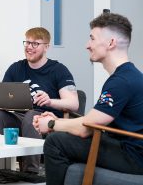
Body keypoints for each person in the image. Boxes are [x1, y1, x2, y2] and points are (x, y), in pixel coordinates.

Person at [33, 13, 143, 185]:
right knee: (65, 137)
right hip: (123, 145)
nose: (87, 45)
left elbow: (88, 128)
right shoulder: (128, 75)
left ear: (111, 43)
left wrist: (51, 124)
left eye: (92, 38)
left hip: (133, 156)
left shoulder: (121, 82)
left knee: (56, 141)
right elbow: (93, 121)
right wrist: (57, 121)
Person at [0, 27, 79, 173]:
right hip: (18, 116)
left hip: (46, 119)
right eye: (27, 42)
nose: (29, 47)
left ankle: (30, 173)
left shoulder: (58, 70)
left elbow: (74, 104)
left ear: (46, 47)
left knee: (31, 116)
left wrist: (50, 101)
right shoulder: (15, 68)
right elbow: (2, 98)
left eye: (35, 44)